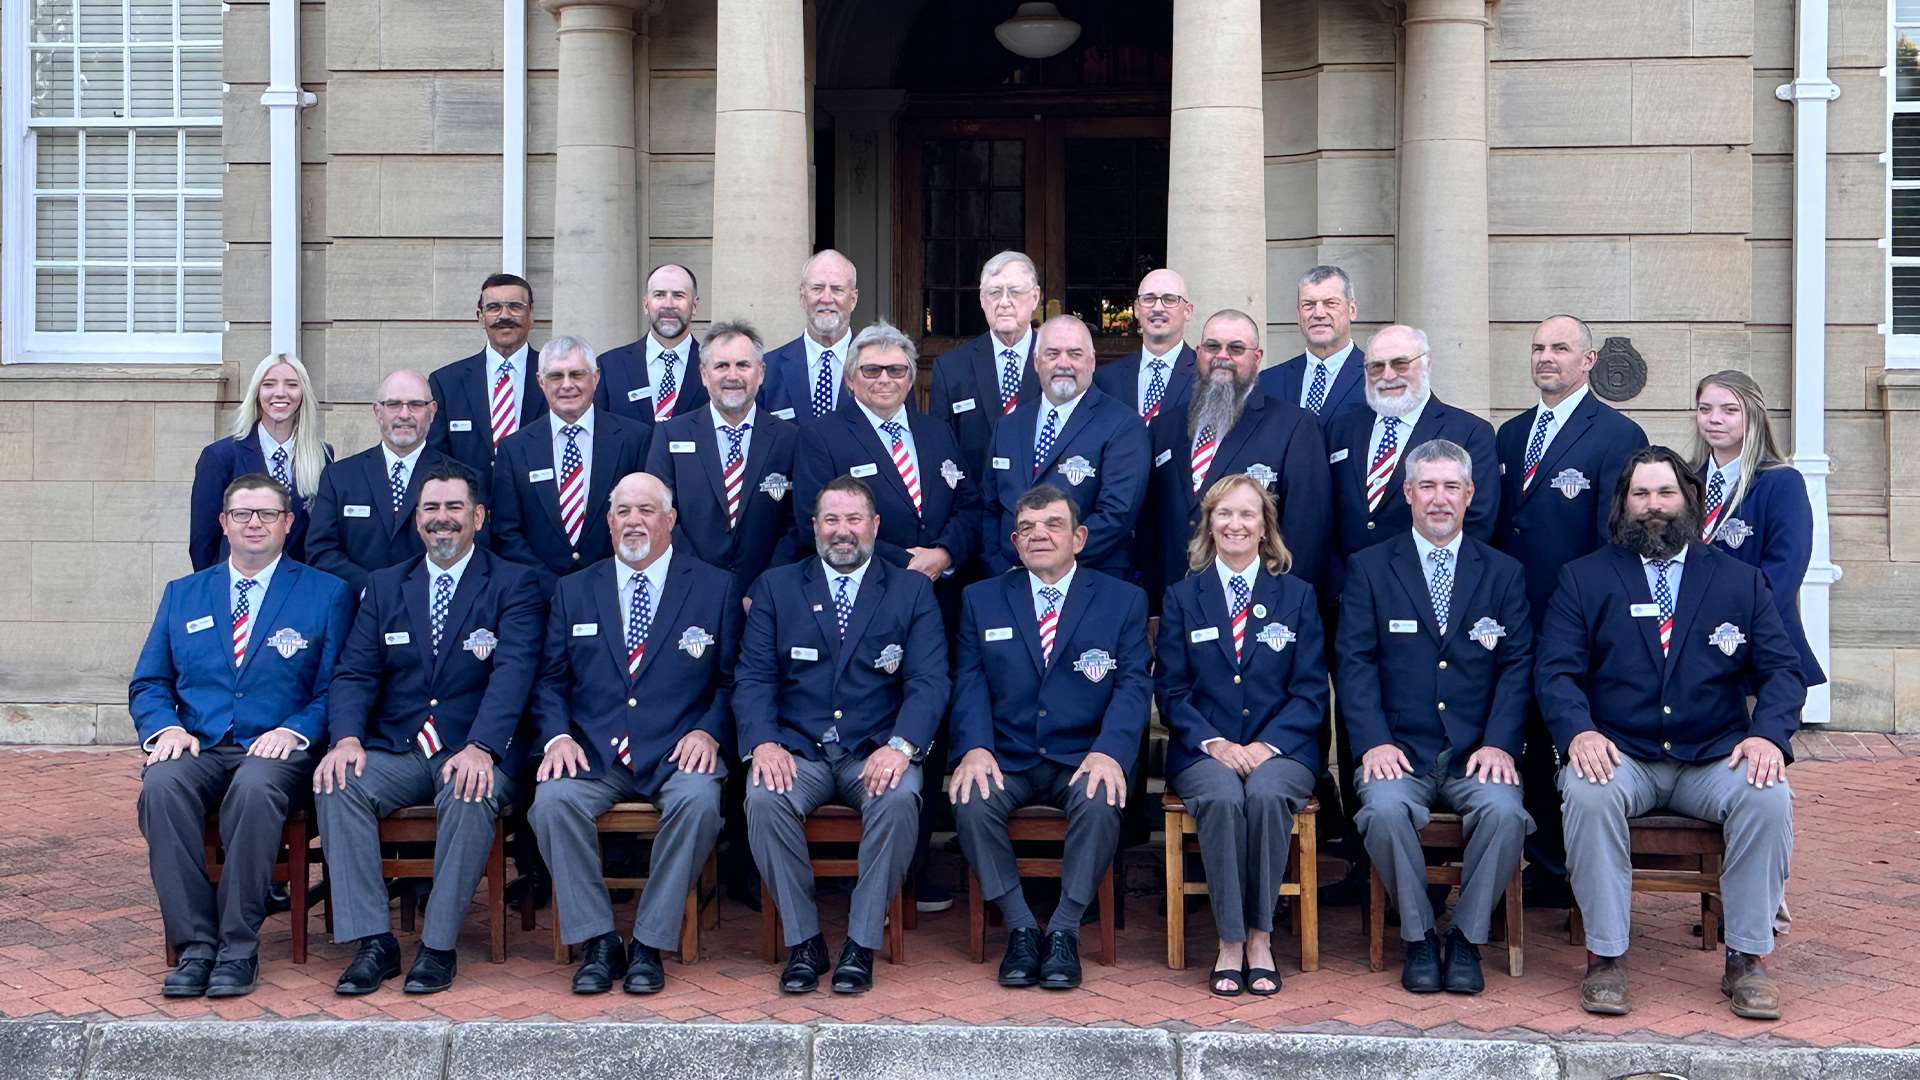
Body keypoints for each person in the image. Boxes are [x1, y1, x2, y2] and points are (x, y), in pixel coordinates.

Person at [1537, 446, 1805, 1020]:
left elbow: (1783, 671)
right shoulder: (1584, 579)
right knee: (1587, 791)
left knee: (1768, 793)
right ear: (1622, 504)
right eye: (1641, 494)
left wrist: (1767, 738)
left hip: (1713, 759)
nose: (1653, 506)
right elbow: (1555, 671)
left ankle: (1747, 957)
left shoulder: (1742, 582)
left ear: (1689, 501)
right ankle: (1605, 957)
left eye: (1665, 493)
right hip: (1623, 754)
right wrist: (1578, 732)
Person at [314, 459, 546, 995]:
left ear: (479, 516)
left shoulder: (513, 584)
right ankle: (374, 941)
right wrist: (346, 738)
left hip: (474, 748)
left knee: (469, 790)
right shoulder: (385, 584)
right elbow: (354, 671)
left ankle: (439, 947)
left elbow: (514, 674)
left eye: (454, 508)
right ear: (417, 518)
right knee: (338, 782)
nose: (443, 519)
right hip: (399, 748)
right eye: (432, 509)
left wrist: (483, 746)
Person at [132, 474, 353, 998]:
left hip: (279, 749)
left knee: (254, 789)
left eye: (267, 515)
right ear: (224, 524)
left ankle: (237, 947)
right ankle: (195, 947)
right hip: (201, 743)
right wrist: (165, 728)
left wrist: (296, 729)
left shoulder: (326, 594)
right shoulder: (183, 594)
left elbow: (339, 687)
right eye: (242, 514)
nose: (254, 524)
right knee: (161, 786)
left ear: (287, 524)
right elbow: (149, 681)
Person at [795, 319, 985, 914]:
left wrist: (946, 554)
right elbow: (826, 522)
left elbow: (969, 502)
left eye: (897, 369)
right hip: (874, 604)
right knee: (881, 718)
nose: (885, 379)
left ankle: (919, 866)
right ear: (852, 377)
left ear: (913, 376)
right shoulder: (825, 436)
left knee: (929, 721)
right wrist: (908, 561)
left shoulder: (936, 433)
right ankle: (854, 876)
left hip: (944, 597)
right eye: (872, 369)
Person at [528, 472, 742, 995]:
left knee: (698, 802)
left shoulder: (714, 587)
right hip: (596, 754)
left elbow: (735, 679)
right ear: (607, 521)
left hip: (677, 750)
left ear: (670, 520)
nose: (634, 521)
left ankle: (649, 941)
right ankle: (599, 939)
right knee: (552, 802)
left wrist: (710, 733)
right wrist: (557, 737)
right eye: (623, 511)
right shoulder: (574, 589)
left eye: (647, 510)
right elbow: (550, 679)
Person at [733, 476, 949, 995]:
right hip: (797, 750)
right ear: (814, 528)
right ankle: (805, 941)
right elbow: (753, 678)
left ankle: (860, 942)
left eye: (854, 519)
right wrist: (763, 742)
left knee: (899, 799)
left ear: (875, 526)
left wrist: (902, 747)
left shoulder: (911, 589)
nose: (843, 531)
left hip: (875, 750)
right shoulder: (776, 587)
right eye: (831, 519)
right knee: (763, 798)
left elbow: (929, 680)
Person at [1339, 440, 1535, 995]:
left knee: (1504, 812)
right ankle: (1420, 936)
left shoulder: (1503, 573)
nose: (1439, 499)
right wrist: (1373, 741)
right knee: (1380, 809)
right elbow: (1354, 664)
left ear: (1470, 494)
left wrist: (1500, 743)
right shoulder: (1371, 568)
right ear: (1407, 493)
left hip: (1477, 753)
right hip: (1400, 750)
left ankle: (1468, 940)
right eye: (1427, 486)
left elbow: (1518, 666)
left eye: (1452, 486)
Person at [949, 485, 1151, 991]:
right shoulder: (981, 599)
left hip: (1082, 756)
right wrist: (973, 748)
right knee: (970, 800)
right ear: (1015, 542)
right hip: (1008, 758)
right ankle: (1020, 927)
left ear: (1079, 537)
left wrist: (1110, 753)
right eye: (1028, 528)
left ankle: (1063, 931)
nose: (1039, 534)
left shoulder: (1122, 600)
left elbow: (1132, 685)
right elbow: (969, 680)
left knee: (1102, 799)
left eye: (1053, 524)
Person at [1493, 314, 1648, 910]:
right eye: (1537, 348)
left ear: (1587, 361)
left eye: (1560, 348)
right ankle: (1532, 861)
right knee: (1522, 732)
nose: (1545, 358)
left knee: (1570, 738)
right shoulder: (1509, 435)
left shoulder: (1616, 434)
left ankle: (1566, 868)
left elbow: (1616, 536)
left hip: (1574, 616)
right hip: (1511, 617)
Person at [1155, 475, 1327, 998]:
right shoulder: (1184, 597)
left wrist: (1263, 747)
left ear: (1264, 527)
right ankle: (1230, 941)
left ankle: (1261, 938)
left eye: (1248, 514)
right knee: (1225, 798)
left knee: (1269, 794)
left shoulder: (1297, 597)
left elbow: (1310, 690)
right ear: (1210, 524)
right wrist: (1218, 744)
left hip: (1282, 749)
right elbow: (1172, 689)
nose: (1235, 524)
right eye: (1224, 514)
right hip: (1203, 749)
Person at [1146, 309, 1331, 600]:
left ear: (1257, 358)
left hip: (1257, 605)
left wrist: (1285, 607)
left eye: (1236, 348)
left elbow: (1307, 529)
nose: (1222, 356)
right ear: (1198, 353)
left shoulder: (1294, 426)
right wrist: (1155, 605)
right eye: (1212, 346)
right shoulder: (1164, 426)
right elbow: (1150, 524)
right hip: (1175, 604)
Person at [1326, 324, 1498, 596]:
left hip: (1423, 595)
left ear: (1427, 365)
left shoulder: (1469, 432)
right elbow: (1327, 513)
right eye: (1376, 366)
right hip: (1347, 597)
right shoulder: (1341, 429)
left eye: (1400, 364)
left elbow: (1477, 522)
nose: (1388, 375)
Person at [980, 314, 1150, 576]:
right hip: (1009, 579)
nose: (1063, 363)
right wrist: (1000, 565)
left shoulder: (1124, 425)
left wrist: (1050, 562)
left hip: (1088, 580)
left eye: (1075, 354)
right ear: (1036, 362)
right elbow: (989, 507)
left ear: (1092, 362)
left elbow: (1116, 515)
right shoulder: (1008, 426)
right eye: (1052, 354)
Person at [643, 320, 801, 596]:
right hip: (688, 591)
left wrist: (767, 587)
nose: (732, 375)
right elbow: (658, 514)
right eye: (721, 366)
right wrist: (700, 580)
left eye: (743, 365)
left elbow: (796, 523)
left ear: (761, 373)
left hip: (768, 596)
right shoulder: (670, 435)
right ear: (703, 374)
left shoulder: (790, 439)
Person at [1692, 369, 1826, 689]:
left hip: (1758, 640)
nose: (1714, 419)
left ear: (1753, 416)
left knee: (1756, 737)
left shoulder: (1780, 482)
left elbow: (1785, 569)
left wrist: (1732, 620)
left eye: (1729, 410)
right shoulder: (1684, 482)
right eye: (1705, 409)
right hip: (1694, 643)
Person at [490, 335, 650, 582]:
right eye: (555, 376)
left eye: (576, 375)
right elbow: (507, 534)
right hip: (540, 597)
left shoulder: (634, 439)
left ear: (595, 378)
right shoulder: (514, 449)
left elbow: (646, 522)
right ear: (540, 382)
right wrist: (553, 588)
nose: (567, 385)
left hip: (614, 589)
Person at [306, 370, 454, 600]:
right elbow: (321, 551)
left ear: (432, 411)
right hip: (358, 612)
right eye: (393, 404)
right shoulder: (340, 476)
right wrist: (372, 588)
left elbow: (470, 551)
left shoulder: (459, 477)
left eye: (415, 404)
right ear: (378, 411)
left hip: (432, 607)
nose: (404, 414)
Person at [190, 353, 330, 570]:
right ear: (257, 393)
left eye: (292, 384)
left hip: (299, 588)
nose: (280, 393)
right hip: (238, 586)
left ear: (303, 394)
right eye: (269, 384)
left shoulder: (322, 455)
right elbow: (203, 542)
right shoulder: (221, 456)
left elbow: (323, 537)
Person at [425, 273, 546, 496]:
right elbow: (436, 457)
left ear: (531, 314)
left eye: (515, 306)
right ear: (480, 317)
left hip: (538, 514)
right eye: (494, 307)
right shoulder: (446, 382)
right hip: (472, 517)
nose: (505, 316)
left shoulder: (554, 377)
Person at [929, 250, 1043, 479]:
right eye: (994, 292)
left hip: (1042, 505)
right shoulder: (951, 368)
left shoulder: (1057, 360)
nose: (1004, 302)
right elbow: (941, 449)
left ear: (1035, 298)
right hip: (976, 504)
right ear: (982, 300)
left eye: (1015, 291)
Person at [595, 264, 710, 429]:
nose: (668, 305)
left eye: (678, 295)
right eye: (659, 295)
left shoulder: (715, 367)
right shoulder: (609, 366)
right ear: (646, 304)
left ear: (694, 306)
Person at [1257, 266, 1368, 426]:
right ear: (1298, 315)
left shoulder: (1376, 378)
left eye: (1331, 303)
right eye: (1308, 305)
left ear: (1352, 310)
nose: (1319, 313)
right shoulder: (1268, 382)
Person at [760, 250, 859, 424]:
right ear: (803, 298)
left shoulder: (882, 369)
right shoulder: (767, 369)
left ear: (853, 299)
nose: (826, 298)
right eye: (817, 289)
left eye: (837, 289)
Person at [1093, 268, 1199, 424]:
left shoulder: (1206, 377)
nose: (1157, 308)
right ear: (1136, 309)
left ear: (1188, 311)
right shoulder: (1106, 380)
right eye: (1149, 299)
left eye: (1169, 299)